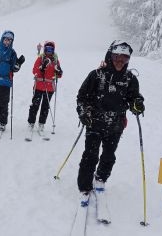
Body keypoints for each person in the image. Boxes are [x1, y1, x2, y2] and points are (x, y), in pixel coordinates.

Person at [76, 40, 145, 202]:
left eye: (124, 59)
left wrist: (137, 104)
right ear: (110, 56)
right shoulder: (96, 75)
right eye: (116, 58)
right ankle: (85, 186)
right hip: (94, 122)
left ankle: (100, 178)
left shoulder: (130, 79)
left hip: (116, 125)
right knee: (90, 155)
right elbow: (82, 97)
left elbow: (134, 97)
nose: (120, 62)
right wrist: (83, 112)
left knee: (108, 155)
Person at [27, 41, 63, 134]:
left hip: (50, 87)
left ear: (53, 50)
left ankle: (41, 123)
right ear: (44, 49)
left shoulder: (55, 60)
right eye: (47, 49)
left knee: (45, 107)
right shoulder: (41, 58)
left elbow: (58, 75)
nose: (49, 51)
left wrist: (59, 71)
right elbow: (34, 70)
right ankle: (31, 122)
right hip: (39, 85)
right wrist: (41, 68)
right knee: (35, 105)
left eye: (51, 49)